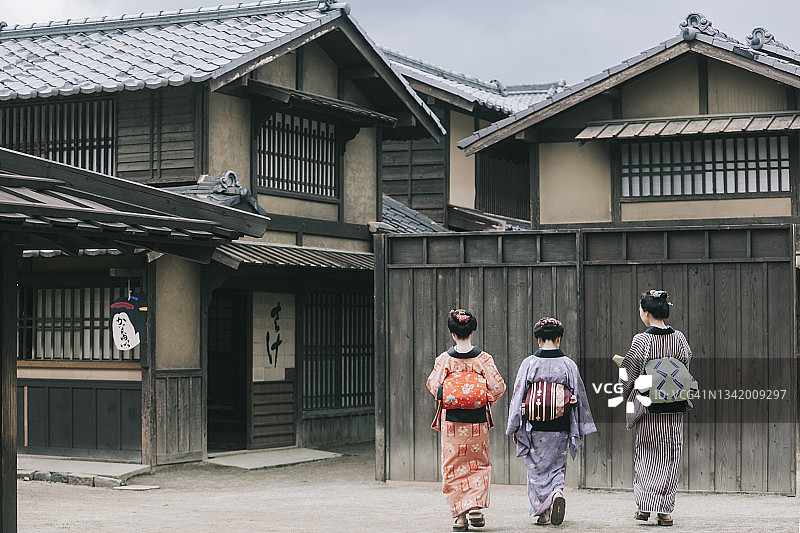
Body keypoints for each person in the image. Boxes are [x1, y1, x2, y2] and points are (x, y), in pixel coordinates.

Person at [506, 317, 596, 526]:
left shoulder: (529, 363)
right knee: (557, 467)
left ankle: (543, 514)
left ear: (538, 339)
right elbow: (579, 397)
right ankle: (556, 493)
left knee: (536, 470)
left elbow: (518, 396)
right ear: (559, 339)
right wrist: (580, 428)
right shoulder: (568, 365)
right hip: (560, 427)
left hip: (535, 427)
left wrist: (514, 426)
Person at [427, 309, 506, 532]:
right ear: (473, 331)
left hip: (452, 424)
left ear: (452, 333)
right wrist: (480, 401)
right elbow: (498, 387)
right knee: (478, 464)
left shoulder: (444, 360)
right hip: (477, 423)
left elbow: (433, 386)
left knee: (453, 466)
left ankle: (460, 517)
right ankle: (476, 508)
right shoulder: (483, 359)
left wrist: (455, 397)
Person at [620, 290, 692, 527]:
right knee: (670, 456)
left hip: (649, 407)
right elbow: (686, 363)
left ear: (646, 313)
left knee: (646, 454)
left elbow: (629, 372)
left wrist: (626, 392)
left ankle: (644, 506)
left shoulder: (641, 340)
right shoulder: (679, 338)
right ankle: (665, 511)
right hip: (674, 405)